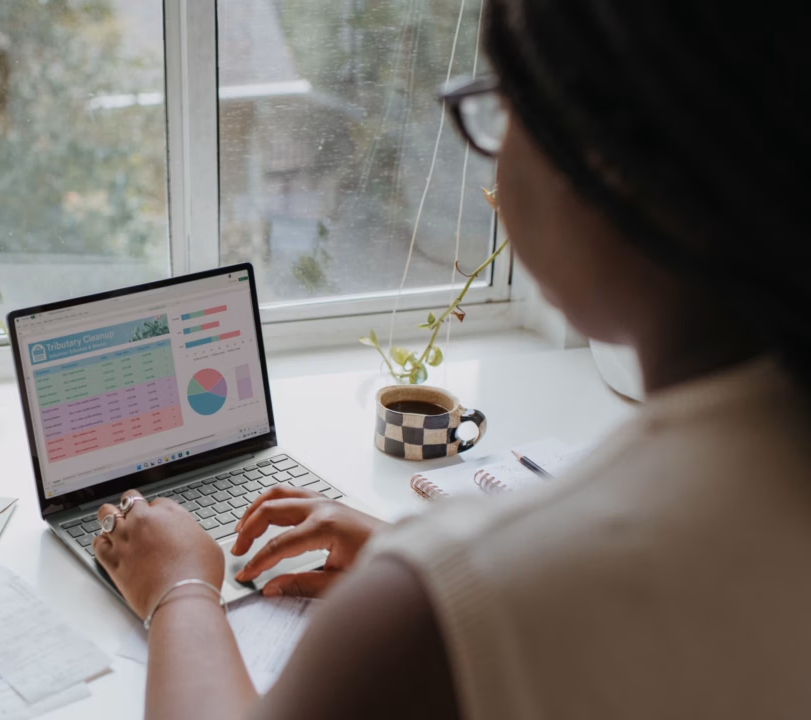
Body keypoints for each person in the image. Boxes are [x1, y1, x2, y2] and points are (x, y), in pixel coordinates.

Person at [92, 0, 811, 717]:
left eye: (502, 106)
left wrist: (179, 587)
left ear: (607, 157)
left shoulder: (443, 600)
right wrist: (399, 553)